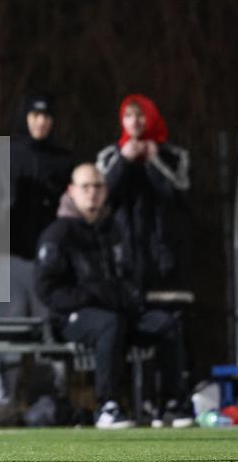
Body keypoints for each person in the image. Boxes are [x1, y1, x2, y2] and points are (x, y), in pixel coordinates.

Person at [35, 164, 190, 429]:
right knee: (110, 323)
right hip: (72, 319)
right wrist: (92, 295)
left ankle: (172, 404)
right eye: (86, 187)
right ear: (71, 191)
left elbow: (129, 276)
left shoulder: (114, 231)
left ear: (106, 191)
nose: (92, 193)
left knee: (166, 324)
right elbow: (47, 291)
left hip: (119, 312)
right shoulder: (58, 234)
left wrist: (130, 296)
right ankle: (107, 406)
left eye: (98, 186)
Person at [0, 94, 73, 403]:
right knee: (6, 336)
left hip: (51, 266)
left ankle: (51, 405)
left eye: (46, 117)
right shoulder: (3, 155)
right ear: (25, 118)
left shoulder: (63, 160)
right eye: (35, 116)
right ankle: (0, 406)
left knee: (51, 334)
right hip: (10, 260)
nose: (41, 122)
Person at [95, 94, 191, 290]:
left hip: (164, 256)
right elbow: (100, 198)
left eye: (140, 115)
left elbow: (179, 195)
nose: (135, 122)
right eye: (128, 116)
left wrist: (155, 161)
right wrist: (123, 161)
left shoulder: (174, 155)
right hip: (122, 254)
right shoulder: (109, 156)